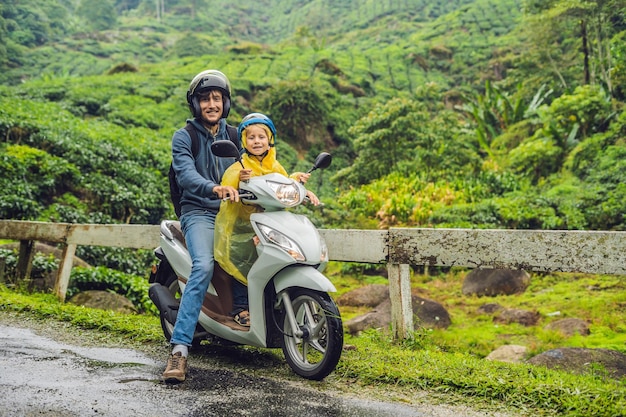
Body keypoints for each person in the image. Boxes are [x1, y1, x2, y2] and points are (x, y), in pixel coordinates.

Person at [162, 69, 242, 383]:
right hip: (199, 213)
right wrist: (214, 188)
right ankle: (179, 350)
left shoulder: (236, 135)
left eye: (217, 98)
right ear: (196, 104)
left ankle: (242, 312)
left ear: (226, 102)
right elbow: (185, 175)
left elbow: (260, 161)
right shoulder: (185, 137)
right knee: (203, 266)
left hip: (232, 213)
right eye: (205, 99)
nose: (212, 104)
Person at [214, 113, 320, 327]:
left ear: (270, 139)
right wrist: (240, 180)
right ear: (244, 141)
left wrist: (300, 186)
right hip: (242, 228)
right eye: (251, 137)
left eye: (262, 137)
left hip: (270, 225)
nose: (257, 141)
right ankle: (241, 307)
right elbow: (228, 183)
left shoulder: (275, 165)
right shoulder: (240, 166)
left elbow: (282, 183)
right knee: (244, 265)